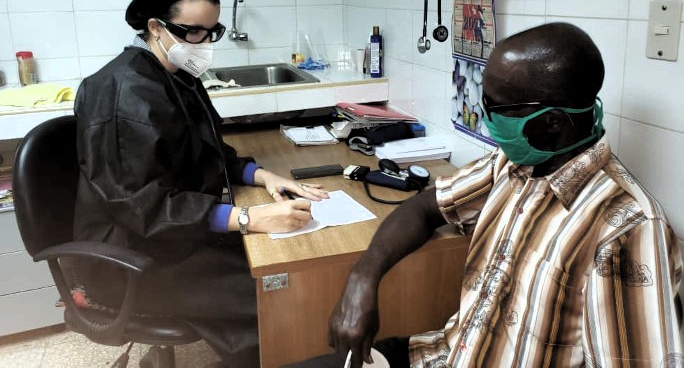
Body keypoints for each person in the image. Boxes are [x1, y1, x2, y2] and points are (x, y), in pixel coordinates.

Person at [292, 23, 683, 367]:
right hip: (441, 355)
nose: (486, 116)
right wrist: (363, 276)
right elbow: (426, 207)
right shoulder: (513, 165)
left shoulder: (627, 229)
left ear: (551, 122)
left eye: (495, 108)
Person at [72, 0, 329, 367]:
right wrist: (247, 218)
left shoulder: (178, 77)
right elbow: (142, 207)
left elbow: (207, 150)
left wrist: (262, 176)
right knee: (275, 296)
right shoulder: (123, 94)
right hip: (135, 259)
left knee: (286, 272)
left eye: (212, 32)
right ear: (155, 27)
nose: (204, 43)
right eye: (192, 31)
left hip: (179, 236)